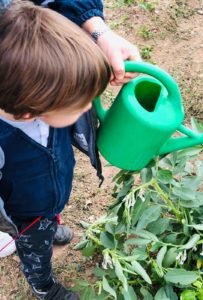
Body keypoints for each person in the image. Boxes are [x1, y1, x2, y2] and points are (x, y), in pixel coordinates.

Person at [0, 1, 111, 299]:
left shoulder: (45, 104)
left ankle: (50, 227)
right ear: (28, 113)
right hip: (25, 213)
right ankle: (43, 285)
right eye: (79, 105)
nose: (89, 107)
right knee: (34, 247)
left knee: (50, 219)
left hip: (51, 193)